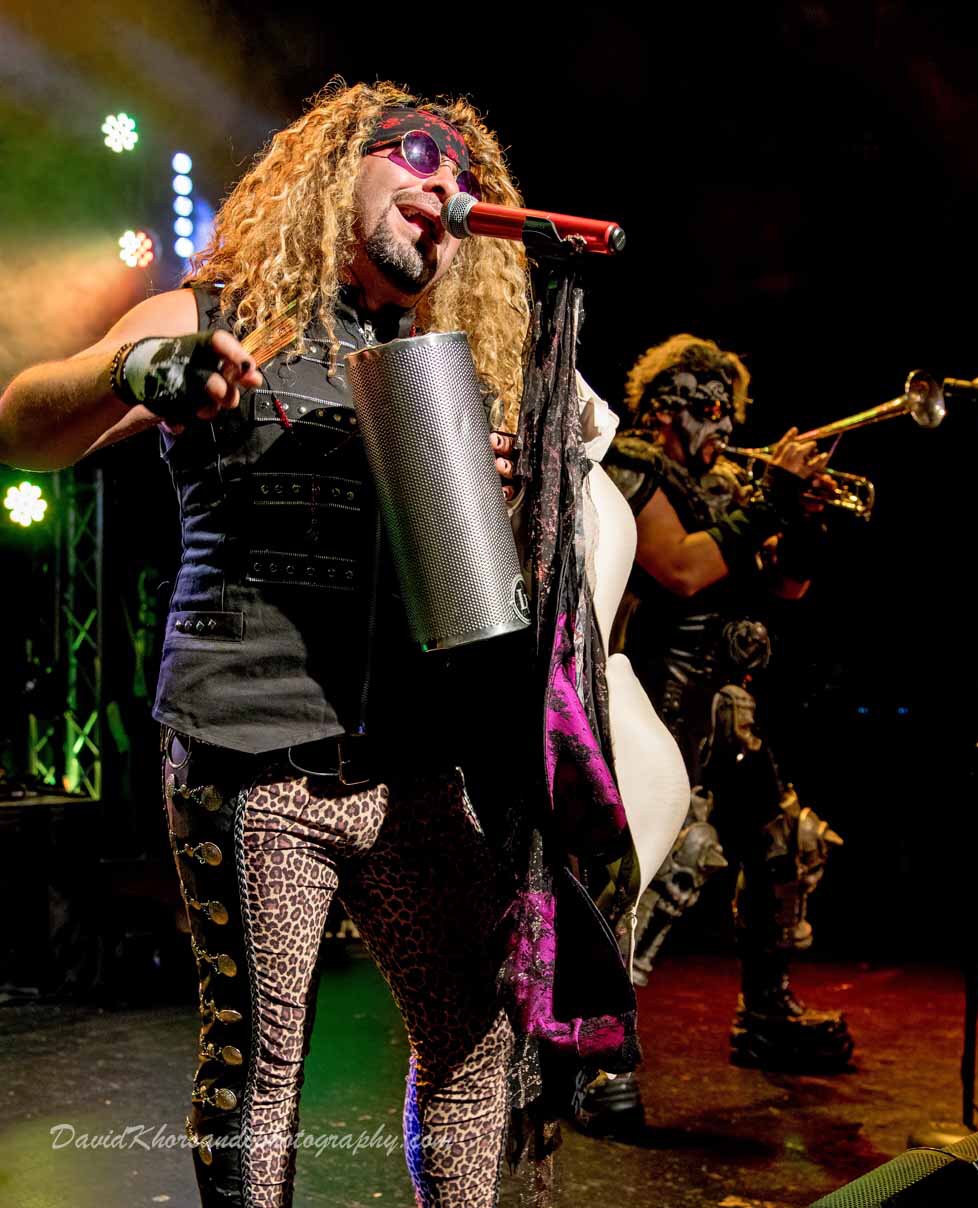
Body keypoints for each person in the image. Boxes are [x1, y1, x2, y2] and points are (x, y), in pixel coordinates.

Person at [0, 79, 654, 1208]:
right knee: (259, 1068)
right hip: (254, 756)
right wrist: (139, 372)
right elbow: (21, 424)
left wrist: (501, 503)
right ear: (334, 176)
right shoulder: (221, 311)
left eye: (465, 175)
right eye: (418, 156)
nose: (447, 187)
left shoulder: (446, 363)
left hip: (413, 768)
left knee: (475, 1039)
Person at [601, 332, 854, 1085]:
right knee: (665, 866)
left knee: (785, 843)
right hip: (657, 702)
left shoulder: (724, 486)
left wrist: (803, 519)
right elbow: (680, 568)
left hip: (728, 705)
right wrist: (771, 498)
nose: (725, 424)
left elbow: (786, 586)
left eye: (728, 409)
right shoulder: (629, 466)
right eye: (708, 408)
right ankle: (597, 1046)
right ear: (664, 408)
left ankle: (767, 1012)